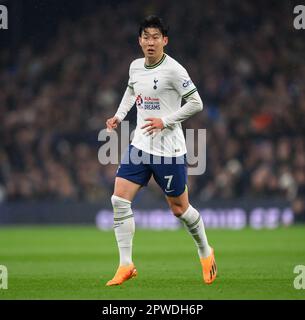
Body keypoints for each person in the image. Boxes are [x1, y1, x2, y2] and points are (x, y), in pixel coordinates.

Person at [105, 15, 217, 286]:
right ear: (140, 41)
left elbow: (196, 103)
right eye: (146, 37)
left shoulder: (175, 70)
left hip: (169, 150)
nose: (150, 42)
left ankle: (205, 251)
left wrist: (166, 121)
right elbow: (131, 91)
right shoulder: (135, 67)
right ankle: (125, 264)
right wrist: (119, 116)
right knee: (119, 199)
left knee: (180, 209)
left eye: (156, 37)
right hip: (140, 145)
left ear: (164, 41)